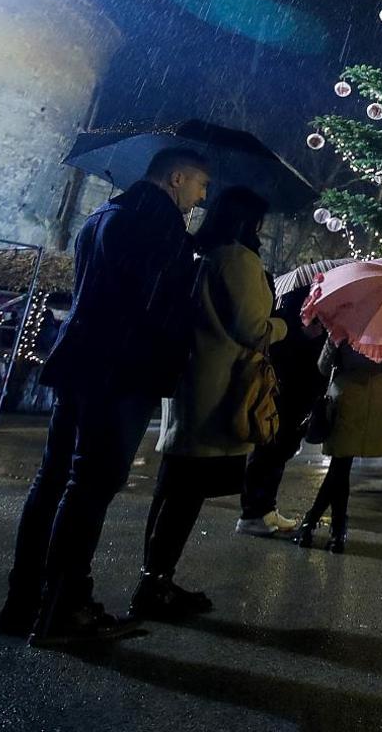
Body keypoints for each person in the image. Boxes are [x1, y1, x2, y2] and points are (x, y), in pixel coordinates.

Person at [0, 148, 209, 645]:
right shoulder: (159, 227)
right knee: (90, 486)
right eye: (200, 185)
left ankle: (23, 603)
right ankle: (66, 609)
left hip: (79, 359)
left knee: (52, 482)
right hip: (122, 371)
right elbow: (158, 307)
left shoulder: (104, 214)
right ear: (176, 178)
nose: (201, 197)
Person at [133, 187, 286, 619]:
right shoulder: (237, 259)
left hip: (193, 380)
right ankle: (156, 584)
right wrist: (284, 326)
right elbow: (253, 327)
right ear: (246, 222)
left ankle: (154, 577)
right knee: (186, 493)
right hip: (220, 388)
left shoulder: (200, 254)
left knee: (173, 486)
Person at [295, 338, 382, 553]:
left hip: (349, 396)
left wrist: (332, 342)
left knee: (341, 464)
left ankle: (315, 525)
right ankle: (333, 529)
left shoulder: (347, 323)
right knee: (341, 466)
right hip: (377, 398)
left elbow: (323, 366)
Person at [237, 285, 328, 536]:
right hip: (284, 390)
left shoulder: (322, 307)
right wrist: (304, 335)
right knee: (268, 451)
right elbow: (277, 346)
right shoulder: (291, 303)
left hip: (303, 392)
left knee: (281, 452)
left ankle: (266, 508)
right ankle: (252, 513)